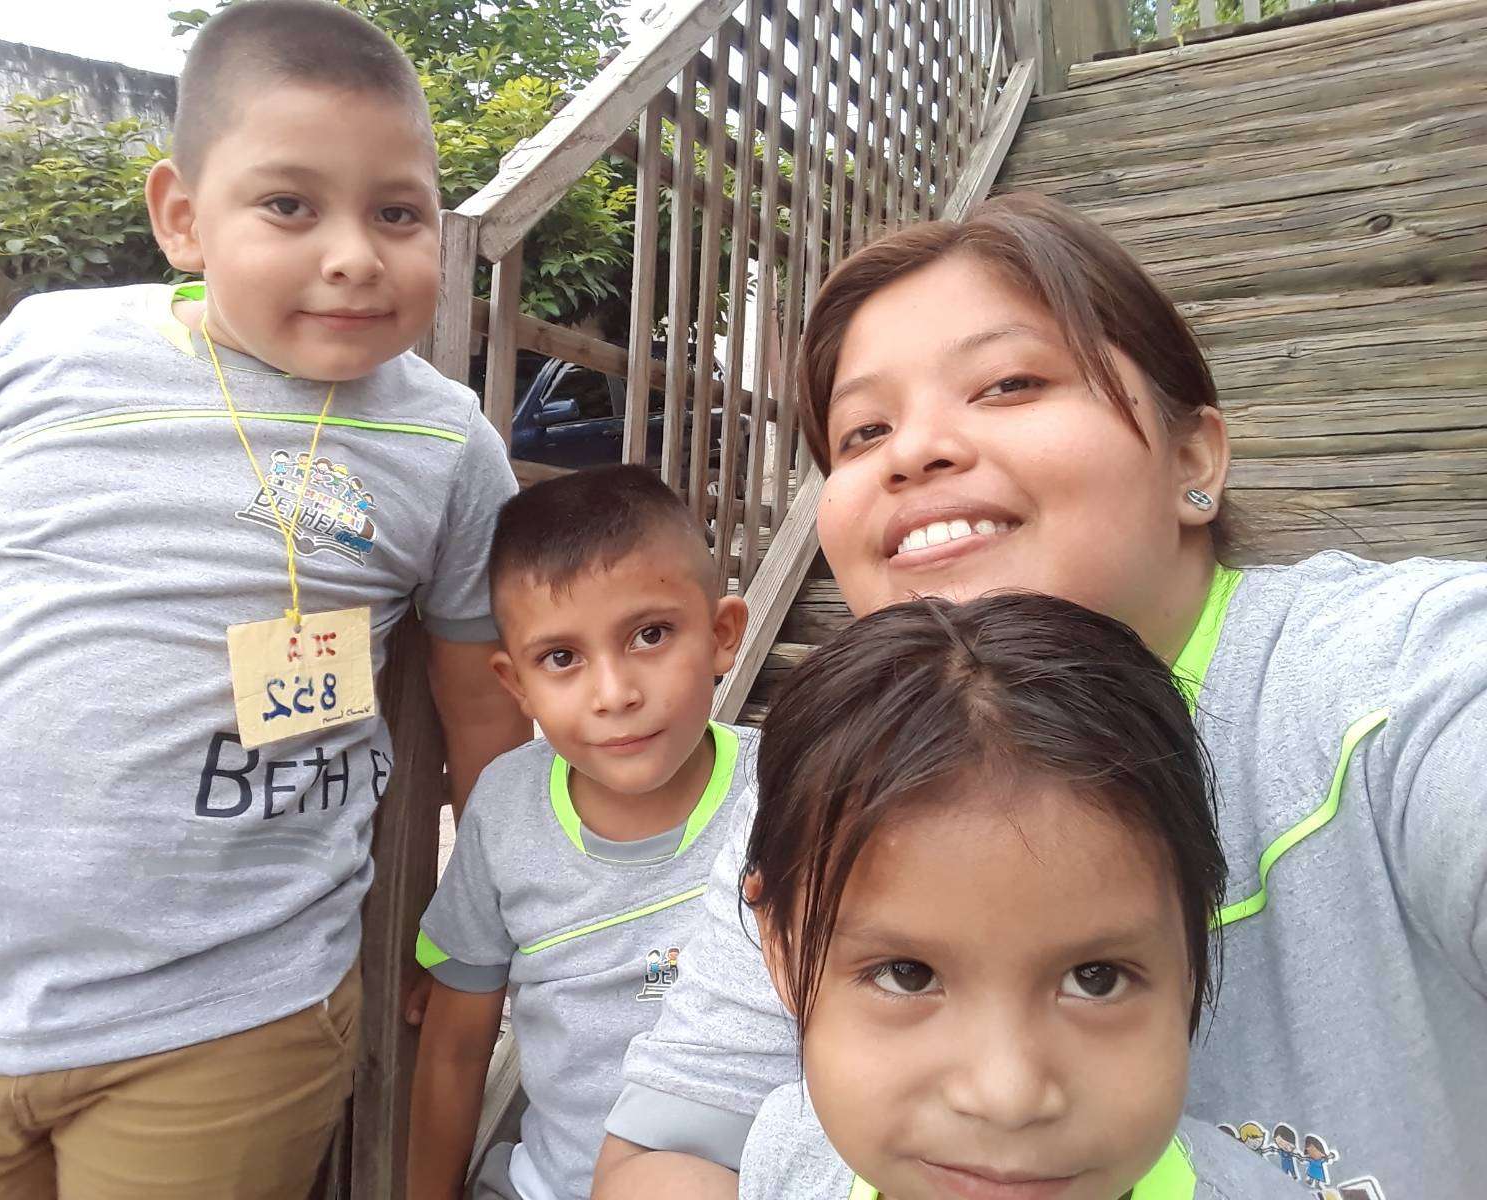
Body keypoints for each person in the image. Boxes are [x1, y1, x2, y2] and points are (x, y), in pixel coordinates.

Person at [593, 193, 1487, 1200]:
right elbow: (673, 1151)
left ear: (1193, 460)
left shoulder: (1399, 682)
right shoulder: (831, 778)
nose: (913, 450)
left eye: (1010, 383)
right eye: (860, 431)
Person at [0, 3, 530, 1196]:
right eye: (290, 205)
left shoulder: (445, 446)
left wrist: (476, 922)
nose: (353, 252)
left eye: (399, 212)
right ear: (182, 218)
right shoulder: (43, 349)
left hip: (234, 1014)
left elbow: (482, 714)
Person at [737, 594, 1305, 1200]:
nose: (1007, 1097)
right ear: (783, 949)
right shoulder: (789, 1157)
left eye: (1096, 978)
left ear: (1192, 959)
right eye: (907, 975)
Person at [406, 466, 756, 1200]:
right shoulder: (505, 812)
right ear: (516, 685)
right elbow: (456, 1047)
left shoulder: (788, 790)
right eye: (561, 659)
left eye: (651, 635)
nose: (615, 694)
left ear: (723, 634)